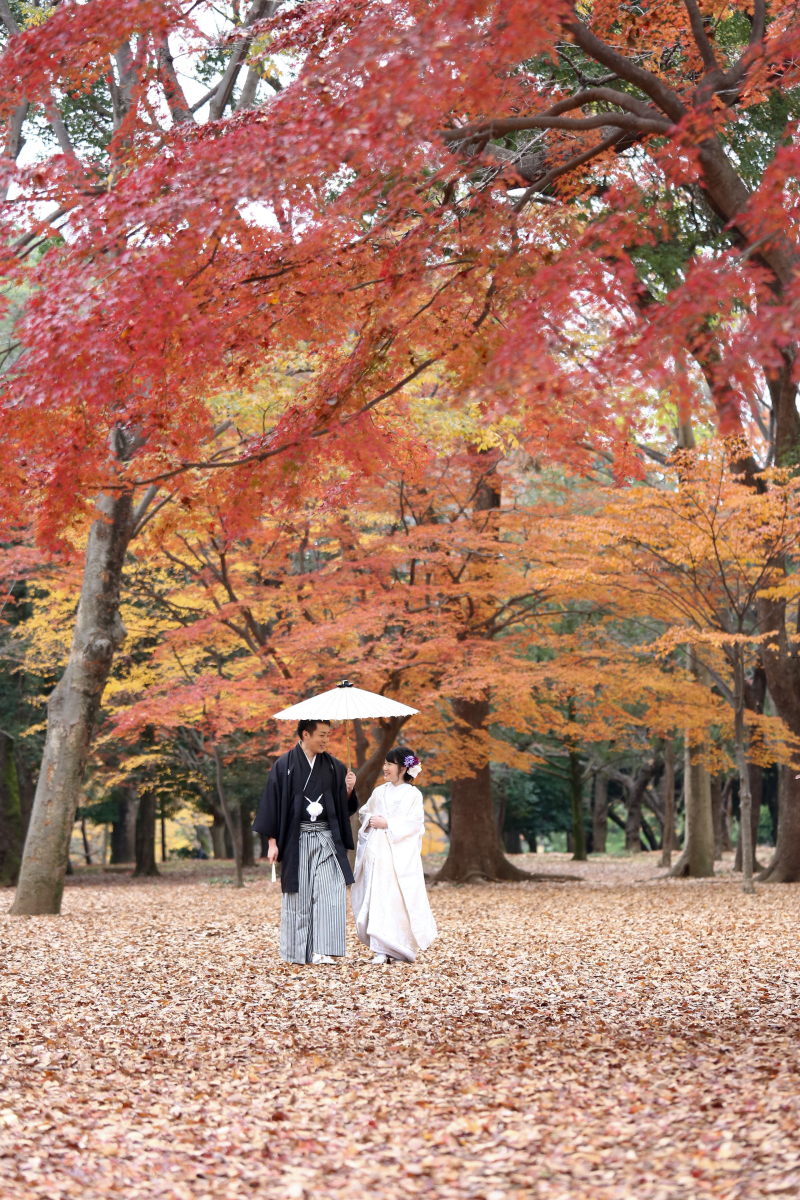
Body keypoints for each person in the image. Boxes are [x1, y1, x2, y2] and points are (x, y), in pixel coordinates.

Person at [253, 719, 357, 965]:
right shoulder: (284, 765)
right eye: (321, 735)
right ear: (305, 734)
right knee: (299, 895)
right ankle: (299, 951)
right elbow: (272, 804)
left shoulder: (334, 766)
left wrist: (349, 790)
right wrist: (272, 843)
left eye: (328, 735)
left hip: (326, 838)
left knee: (330, 891)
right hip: (296, 839)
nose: (326, 740)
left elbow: (344, 807)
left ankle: (323, 950)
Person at [351, 747, 437, 964]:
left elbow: (415, 823)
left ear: (403, 768)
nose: (385, 768)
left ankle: (400, 948)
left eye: (390, 764)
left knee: (397, 898)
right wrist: (372, 820)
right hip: (377, 854)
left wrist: (388, 823)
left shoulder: (413, 794)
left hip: (398, 855)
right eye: (385, 763)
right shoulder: (379, 791)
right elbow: (364, 812)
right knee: (378, 896)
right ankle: (380, 949)